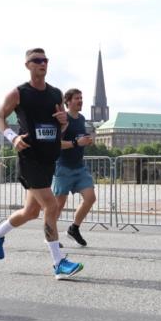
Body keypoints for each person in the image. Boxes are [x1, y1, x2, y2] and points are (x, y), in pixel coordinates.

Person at [0, 48, 83, 279]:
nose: (42, 63)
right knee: (51, 207)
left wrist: (63, 123)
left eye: (45, 60)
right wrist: (13, 137)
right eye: (37, 60)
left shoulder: (55, 94)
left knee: (31, 211)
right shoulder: (19, 93)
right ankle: (58, 263)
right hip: (29, 158)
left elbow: (61, 127)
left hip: (49, 158)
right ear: (27, 65)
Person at [52, 88, 95, 247]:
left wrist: (86, 141)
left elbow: (79, 139)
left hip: (79, 167)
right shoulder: (63, 119)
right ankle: (51, 237)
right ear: (68, 101)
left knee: (90, 198)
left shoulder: (82, 118)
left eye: (81, 98)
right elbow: (55, 144)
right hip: (63, 167)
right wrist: (77, 143)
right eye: (77, 98)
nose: (80, 100)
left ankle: (73, 229)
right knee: (58, 205)